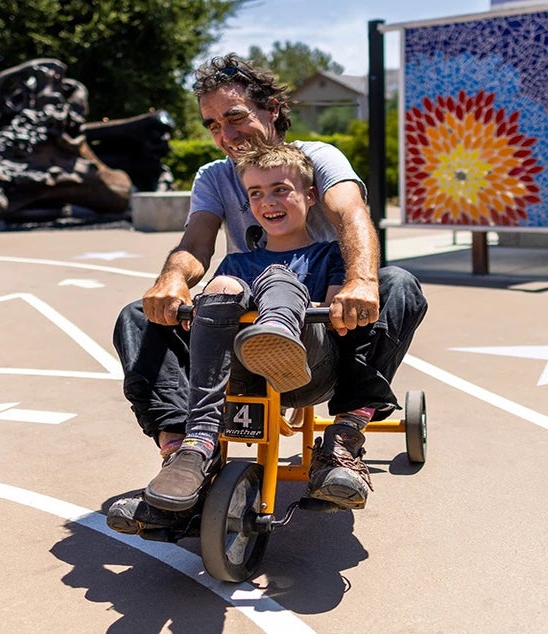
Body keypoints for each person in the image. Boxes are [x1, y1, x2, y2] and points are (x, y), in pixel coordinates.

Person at [108, 54, 427, 533]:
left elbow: (351, 214)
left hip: (323, 343)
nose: (226, 135)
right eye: (213, 124)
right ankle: (184, 457)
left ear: (272, 109)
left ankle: (341, 441)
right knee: (139, 315)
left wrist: (360, 280)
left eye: (235, 117)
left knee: (397, 283)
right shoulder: (215, 177)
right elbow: (196, 245)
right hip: (242, 337)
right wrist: (172, 281)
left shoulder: (314, 159)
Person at [143, 142, 346, 512]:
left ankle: (278, 333)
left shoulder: (330, 253)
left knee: (279, 278)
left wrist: (288, 295)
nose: (268, 201)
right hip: (238, 372)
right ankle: (198, 442)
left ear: (311, 195)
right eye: (256, 193)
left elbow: (335, 316)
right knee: (221, 288)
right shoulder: (236, 262)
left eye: (280, 190)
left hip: (306, 371)